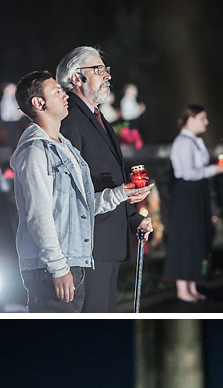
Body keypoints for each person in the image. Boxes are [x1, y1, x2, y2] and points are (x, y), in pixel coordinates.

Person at [10, 70, 151, 313]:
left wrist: (121, 193)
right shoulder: (34, 151)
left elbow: (81, 206)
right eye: (56, 91)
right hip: (51, 268)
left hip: (74, 261)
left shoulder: (67, 149)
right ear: (38, 103)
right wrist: (58, 268)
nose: (64, 94)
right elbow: (39, 216)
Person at [56, 47, 152, 312]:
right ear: (77, 78)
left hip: (109, 238)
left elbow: (108, 177)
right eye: (98, 70)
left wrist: (134, 218)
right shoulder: (70, 120)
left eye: (106, 70)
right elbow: (72, 190)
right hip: (88, 246)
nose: (107, 76)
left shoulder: (99, 117)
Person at [163, 104, 223, 303]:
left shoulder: (195, 141)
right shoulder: (183, 142)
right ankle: (182, 288)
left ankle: (191, 285)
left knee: (197, 235)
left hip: (197, 190)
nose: (206, 122)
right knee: (186, 237)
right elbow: (189, 173)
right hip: (187, 192)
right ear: (190, 119)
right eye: (202, 118)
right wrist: (213, 171)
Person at [0, 81, 25, 148]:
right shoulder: (6, 101)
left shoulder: (12, 100)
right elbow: (7, 115)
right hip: (10, 123)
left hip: (15, 122)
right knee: (12, 142)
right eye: (12, 89)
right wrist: (19, 112)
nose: (14, 90)